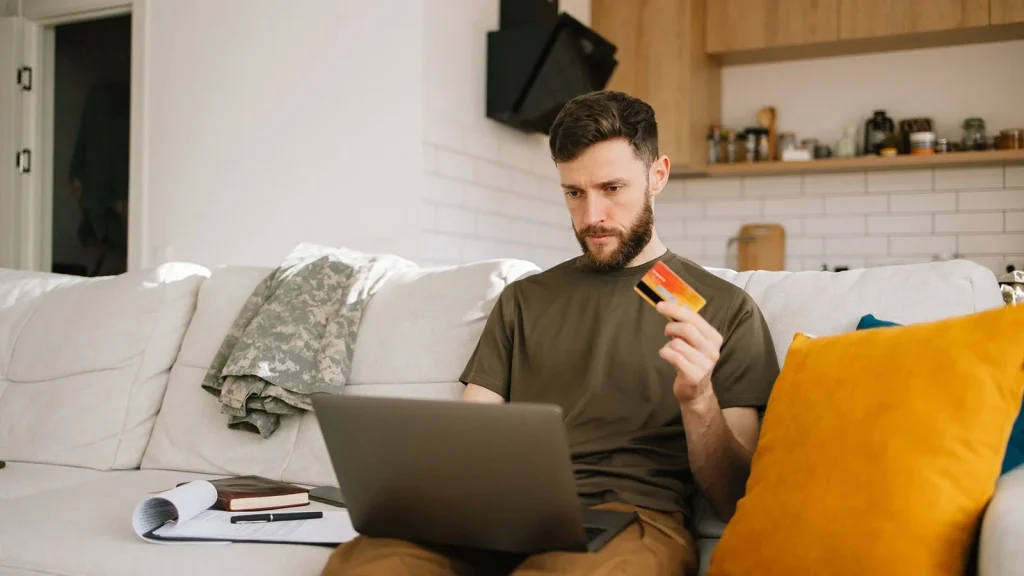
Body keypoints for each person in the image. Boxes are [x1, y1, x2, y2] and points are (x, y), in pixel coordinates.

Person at [321, 91, 780, 576]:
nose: (591, 218)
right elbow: (472, 436)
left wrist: (698, 398)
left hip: (630, 521)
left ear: (657, 176)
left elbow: (735, 498)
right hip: (499, 515)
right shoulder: (525, 299)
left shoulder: (724, 309)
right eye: (574, 193)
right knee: (364, 566)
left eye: (611, 189)